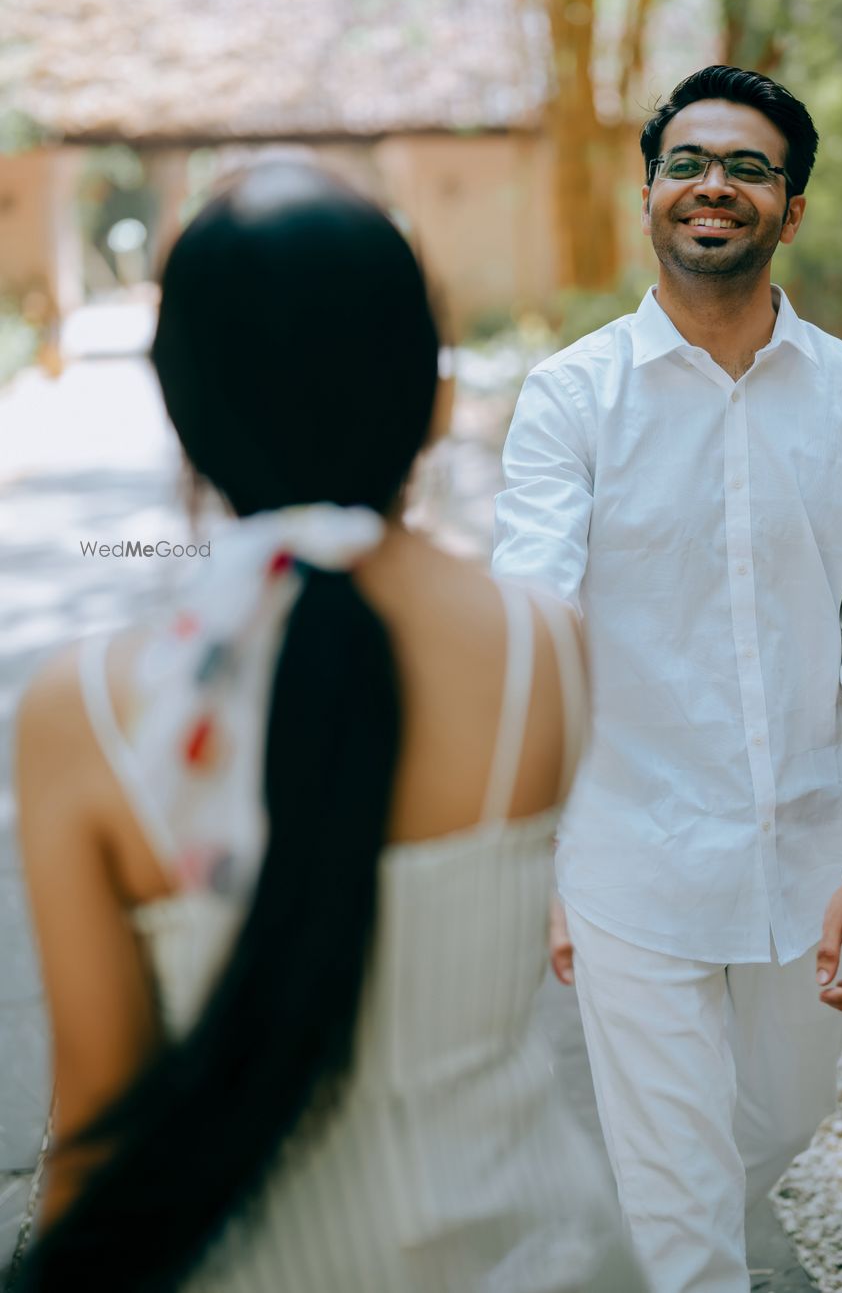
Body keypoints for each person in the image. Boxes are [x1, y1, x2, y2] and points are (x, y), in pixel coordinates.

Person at [11, 164, 646, 1292]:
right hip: (539, 1256)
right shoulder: (543, 650)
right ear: (433, 393)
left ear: (180, 406)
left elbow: (101, 1113)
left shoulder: (85, 714)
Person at [493, 66, 842, 1293]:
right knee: (689, 1229)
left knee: (773, 1128)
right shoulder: (571, 398)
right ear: (649, 193)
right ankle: (671, 1225)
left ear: (789, 210)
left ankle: (663, 1201)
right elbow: (537, 621)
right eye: (689, 161)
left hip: (809, 858)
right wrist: (538, 860)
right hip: (629, 854)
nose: (714, 185)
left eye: (747, 168)